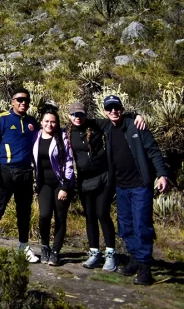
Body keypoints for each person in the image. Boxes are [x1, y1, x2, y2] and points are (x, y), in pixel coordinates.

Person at [102, 94, 169, 286]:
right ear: (105, 111)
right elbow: (82, 121)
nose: (113, 111)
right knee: (125, 225)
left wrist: (162, 174)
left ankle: (145, 267)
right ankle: (134, 259)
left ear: (122, 109)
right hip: (121, 186)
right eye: (109, 108)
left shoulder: (136, 126)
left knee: (142, 226)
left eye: (117, 108)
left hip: (140, 186)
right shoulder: (107, 129)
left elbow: (153, 150)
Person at [0, 87, 39, 262]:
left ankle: (23, 248)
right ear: (12, 101)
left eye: (26, 100)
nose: (23, 103)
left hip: (25, 173)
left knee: (24, 211)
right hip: (5, 172)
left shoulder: (32, 122)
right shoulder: (2, 119)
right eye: (19, 99)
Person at [67, 102, 117, 271]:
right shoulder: (68, 133)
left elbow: (114, 119)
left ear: (86, 115)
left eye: (80, 114)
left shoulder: (95, 124)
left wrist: (134, 116)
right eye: (74, 115)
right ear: (69, 116)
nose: (77, 118)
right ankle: (94, 253)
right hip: (84, 180)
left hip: (103, 177)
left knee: (102, 213)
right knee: (90, 216)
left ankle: (110, 254)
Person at [33, 108, 75, 266]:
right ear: (41, 122)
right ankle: (45, 247)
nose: (49, 124)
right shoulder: (35, 136)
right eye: (47, 121)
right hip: (43, 183)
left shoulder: (62, 137)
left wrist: (65, 186)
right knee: (44, 215)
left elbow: (69, 162)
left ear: (56, 123)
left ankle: (56, 251)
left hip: (60, 183)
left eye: (53, 121)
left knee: (60, 216)